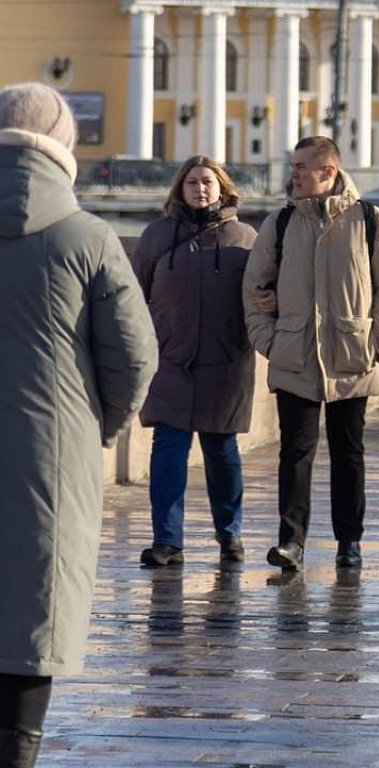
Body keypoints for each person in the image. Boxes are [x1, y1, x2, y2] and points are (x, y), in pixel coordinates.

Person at [0, 83, 156, 766]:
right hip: (50, 451)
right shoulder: (88, 237)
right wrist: (95, 427)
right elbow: (134, 356)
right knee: (34, 609)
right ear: (62, 148)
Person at [243, 136, 379, 571]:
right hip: (295, 353)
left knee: (348, 451)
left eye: (301, 167)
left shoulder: (370, 220)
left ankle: (349, 542)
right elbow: (254, 285)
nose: (292, 174)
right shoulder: (279, 223)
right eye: (292, 166)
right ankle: (291, 542)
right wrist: (269, 341)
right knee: (295, 453)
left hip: (351, 352)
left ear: (328, 172)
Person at [130, 157, 258, 567]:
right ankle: (167, 540)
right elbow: (132, 294)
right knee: (168, 447)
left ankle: (230, 535)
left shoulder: (245, 239)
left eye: (207, 182)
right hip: (170, 359)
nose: (200, 189)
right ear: (179, 189)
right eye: (192, 182)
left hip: (226, 361)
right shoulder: (157, 236)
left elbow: (265, 292)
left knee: (222, 450)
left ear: (222, 187)